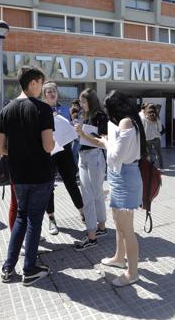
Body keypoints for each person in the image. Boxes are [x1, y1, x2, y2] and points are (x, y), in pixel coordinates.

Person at [0, 66, 55, 286]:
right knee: (34, 220)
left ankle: (8, 267)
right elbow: (48, 145)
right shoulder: (42, 109)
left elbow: (1, 148)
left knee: (21, 217)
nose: (42, 88)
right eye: (41, 83)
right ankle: (29, 269)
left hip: (18, 174)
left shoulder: (7, 110)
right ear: (33, 83)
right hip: (40, 173)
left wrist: (21, 151)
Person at [99, 90, 146, 287]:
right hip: (120, 176)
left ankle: (132, 273)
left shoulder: (126, 122)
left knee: (127, 229)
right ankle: (119, 258)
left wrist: (105, 142)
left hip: (125, 176)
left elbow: (116, 156)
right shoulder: (127, 121)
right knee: (119, 224)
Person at [41, 81, 85, 234]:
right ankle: (52, 219)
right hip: (48, 153)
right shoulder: (40, 110)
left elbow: (72, 128)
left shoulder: (65, 109)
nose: (52, 93)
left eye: (54, 90)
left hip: (65, 151)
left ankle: (83, 212)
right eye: (48, 91)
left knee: (71, 183)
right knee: (48, 187)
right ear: (44, 95)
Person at [74, 88, 108, 251]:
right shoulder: (83, 116)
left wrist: (81, 134)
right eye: (80, 101)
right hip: (83, 156)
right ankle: (101, 228)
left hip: (94, 156)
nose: (81, 104)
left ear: (91, 101)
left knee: (90, 196)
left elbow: (103, 142)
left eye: (83, 101)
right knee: (94, 194)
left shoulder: (100, 116)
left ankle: (92, 236)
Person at [140, 104, 164, 170]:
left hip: (147, 139)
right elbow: (160, 129)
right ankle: (161, 168)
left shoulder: (143, 118)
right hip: (156, 138)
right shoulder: (157, 118)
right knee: (159, 154)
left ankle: (150, 168)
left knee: (150, 154)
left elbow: (142, 128)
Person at [70, 99, 83, 166]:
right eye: (73, 105)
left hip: (80, 138)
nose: (73, 107)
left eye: (75, 105)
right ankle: (76, 168)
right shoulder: (75, 113)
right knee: (74, 153)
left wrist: (73, 121)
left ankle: (76, 168)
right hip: (76, 137)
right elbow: (73, 123)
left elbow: (79, 123)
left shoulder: (82, 113)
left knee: (74, 153)